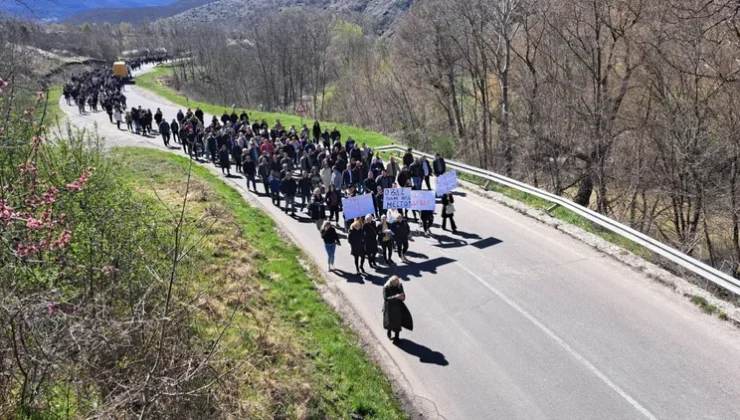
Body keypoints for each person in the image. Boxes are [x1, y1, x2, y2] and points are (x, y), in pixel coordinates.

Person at [383, 275, 413, 344]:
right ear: (392, 283)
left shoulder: (399, 285)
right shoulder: (386, 287)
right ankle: (389, 330)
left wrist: (402, 297)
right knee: (389, 321)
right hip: (389, 307)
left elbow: (402, 294)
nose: (397, 284)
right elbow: (386, 298)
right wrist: (395, 297)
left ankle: (396, 337)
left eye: (397, 283)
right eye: (395, 283)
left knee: (397, 322)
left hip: (398, 307)